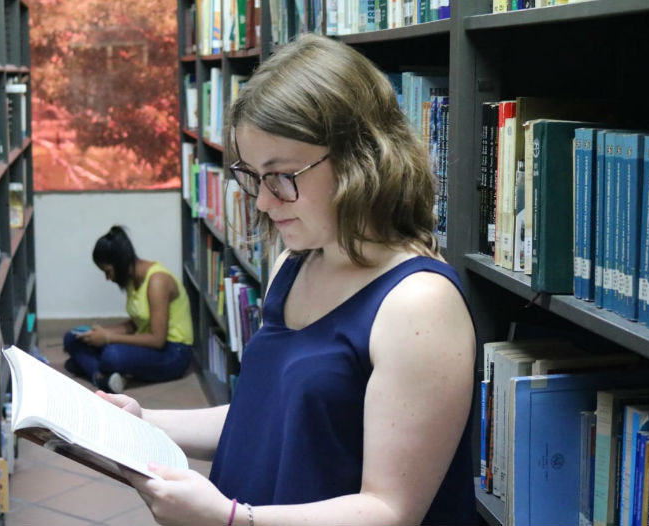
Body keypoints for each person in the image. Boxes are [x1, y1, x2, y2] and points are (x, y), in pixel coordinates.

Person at [99, 33, 477, 525]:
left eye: (281, 175)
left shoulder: (420, 304)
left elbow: (390, 510)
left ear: (361, 157)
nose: (262, 201)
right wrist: (144, 423)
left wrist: (233, 520)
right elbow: (269, 419)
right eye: (252, 176)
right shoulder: (295, 263)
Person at [63, 225, 194, 394]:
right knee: (72, 338)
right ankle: (103, 376)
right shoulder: (133, 279)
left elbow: (157, 339)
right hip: (150, 344)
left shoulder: (157, 282)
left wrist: (108, 338)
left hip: (173, 352)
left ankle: (92, 369)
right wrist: (102, 333)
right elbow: (136, 323)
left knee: (111, 355)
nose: (107, 278)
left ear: (120, 263)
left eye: (108, 271)